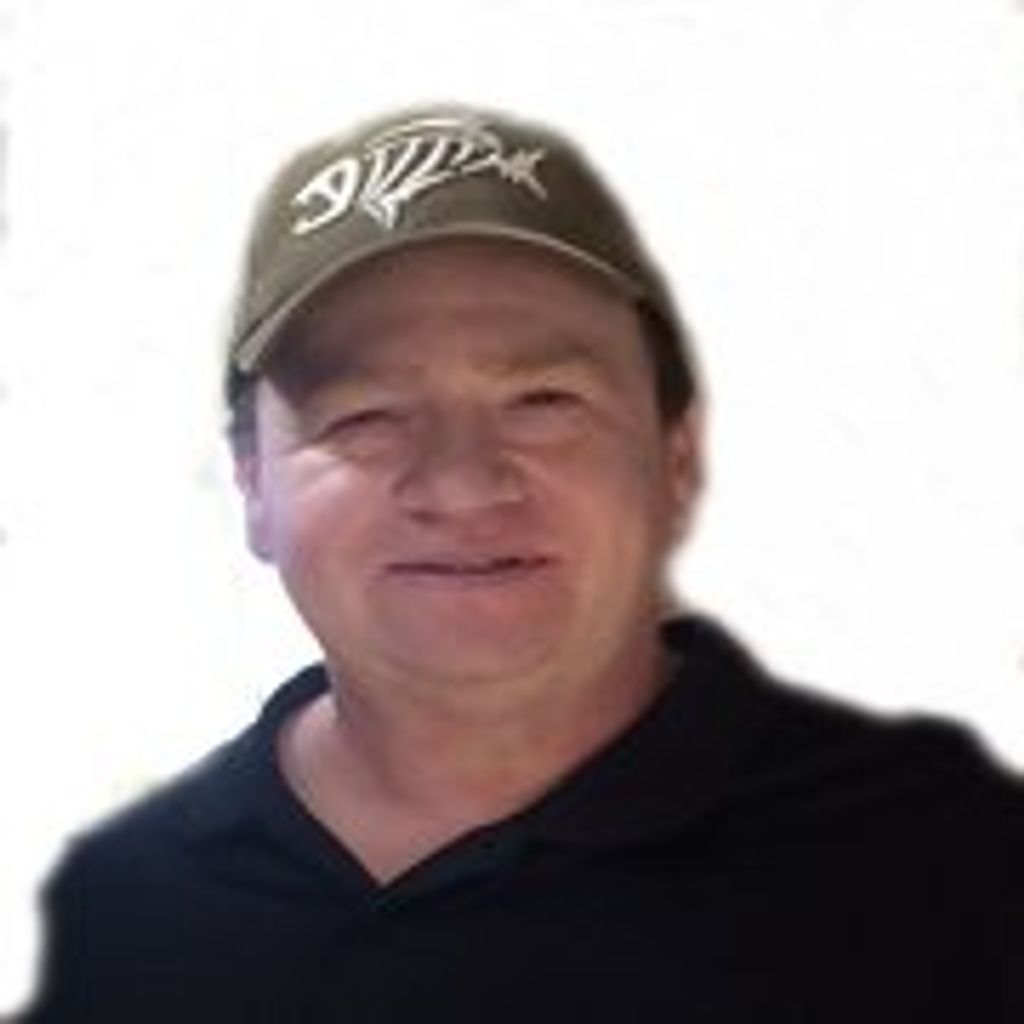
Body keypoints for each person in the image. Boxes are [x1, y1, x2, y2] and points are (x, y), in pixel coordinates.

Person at [26, 105, 1023, 1022]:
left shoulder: (945, 864)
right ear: (253, 489)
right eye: (363, 416)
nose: (460, 484)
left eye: (543, 400)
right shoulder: (128, 908)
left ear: (676, 456)